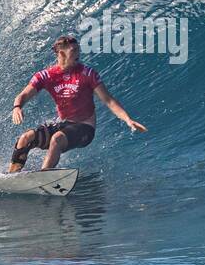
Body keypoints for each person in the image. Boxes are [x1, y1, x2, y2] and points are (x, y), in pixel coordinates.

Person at [8, 35, 146, 172]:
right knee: (25, 138)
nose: (78, 54)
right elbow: (23, 94)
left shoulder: (87, 74)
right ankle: (12, 175)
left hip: (85, 127)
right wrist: (17, 107)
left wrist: (128, 119)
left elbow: (108, 100)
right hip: (63, 124)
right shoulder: (45, 76)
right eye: (73, 51)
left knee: (56, 139)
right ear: (61, 53)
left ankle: (43, 177)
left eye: (78, 49)